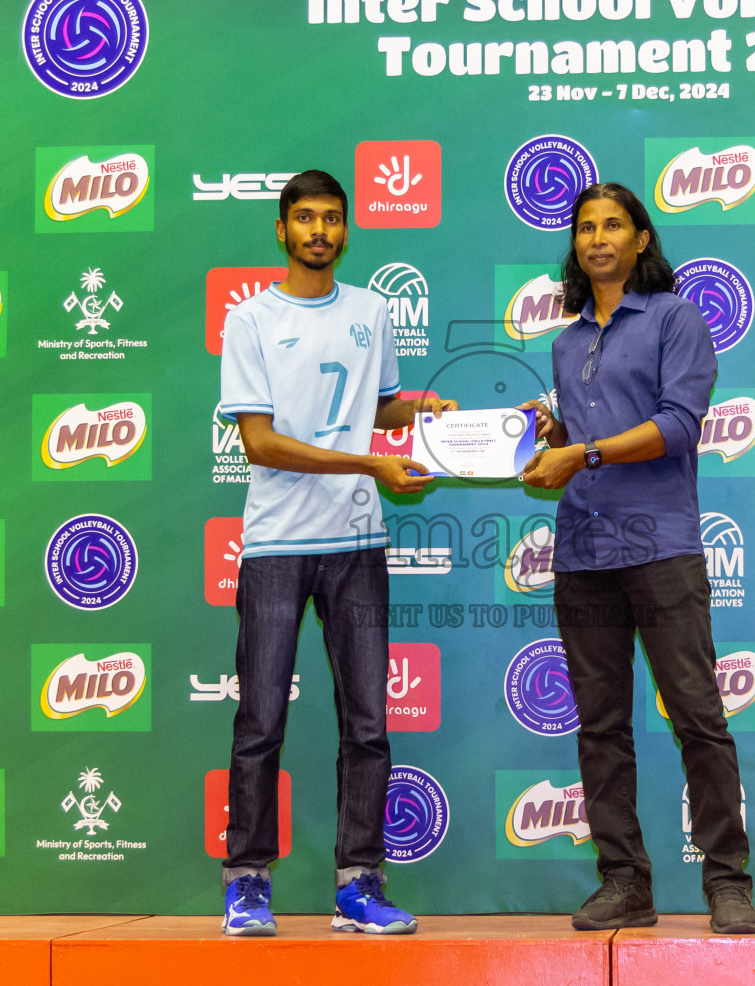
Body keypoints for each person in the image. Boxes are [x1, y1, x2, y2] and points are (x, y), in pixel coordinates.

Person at [216, 170, 455, 936]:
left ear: (347, 231)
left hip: (357, 541)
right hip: (277, 544)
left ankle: (359, 884)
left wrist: (417, 408)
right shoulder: (249, 319)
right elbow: (259, 442)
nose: (319, 230)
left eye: (332, 218)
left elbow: (371, 406)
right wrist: (369, 464)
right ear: (281, 231)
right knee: (259, 721)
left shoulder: (371, 311)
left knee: (368, 724)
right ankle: (247, 882)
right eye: (305, 218)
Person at [520, 183, 755, 935]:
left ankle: (728, 882)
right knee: (601, 726)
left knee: (697, 716)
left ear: (642, 240)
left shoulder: (674, 318)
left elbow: (677, 426)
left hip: (661, 547)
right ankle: (625, 882)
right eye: (586, 227)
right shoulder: (563, 342)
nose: (598, 238)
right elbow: (582, 440)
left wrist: (582, 451)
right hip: (584, 552)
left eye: (613, 225)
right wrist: (545, 432)